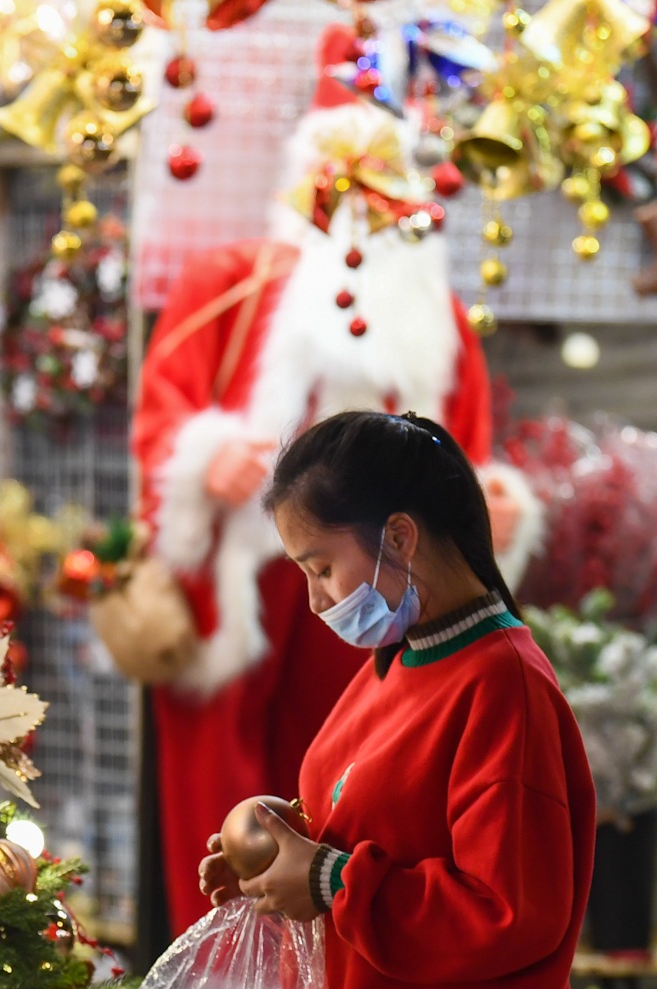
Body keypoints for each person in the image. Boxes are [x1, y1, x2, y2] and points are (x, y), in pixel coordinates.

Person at [198, 411, 595, 989]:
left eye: (320, 565)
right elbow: (367, 811)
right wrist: (276, 842)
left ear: (401, 536)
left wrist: (329, 879)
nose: (315, 595)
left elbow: (509, 908)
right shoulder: (401, 659)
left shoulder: (502, 681)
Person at [132, 24, 493, 937]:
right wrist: (205, 458)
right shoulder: (232, 283)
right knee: (223, 784)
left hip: (383, 578)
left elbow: (470, 445)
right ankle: (214, 979)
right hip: (244, 575)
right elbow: (164, 414)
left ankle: (348, 969)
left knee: (378, 774)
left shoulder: (435, 318)